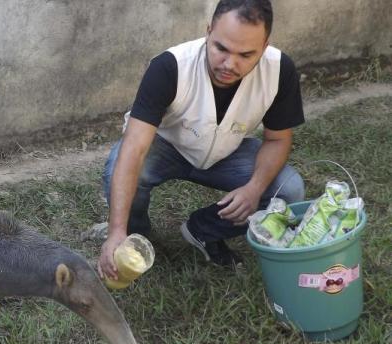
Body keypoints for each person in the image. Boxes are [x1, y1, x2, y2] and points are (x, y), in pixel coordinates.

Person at [98, 0, 306, 280]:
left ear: (265, 45)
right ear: (209, 31)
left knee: (289, 190)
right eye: (221, 48)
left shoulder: (280, 70)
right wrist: (115, 232)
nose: (229, 64)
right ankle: (134, 236)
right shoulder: (170, 66)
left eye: (246, 54)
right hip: (166, 147)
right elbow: (134, 147)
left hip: (228, 153)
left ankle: (204, 230)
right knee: (118, 169)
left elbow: (278, 140)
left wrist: (254, 189)